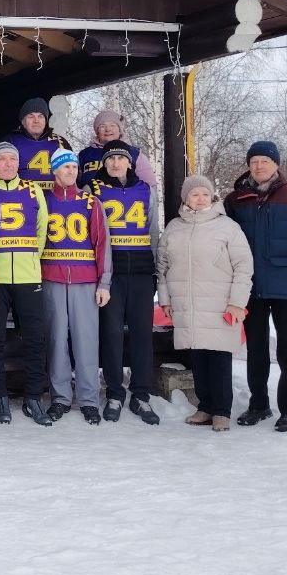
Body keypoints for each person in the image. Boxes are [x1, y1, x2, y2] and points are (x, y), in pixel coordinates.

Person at [224, 140, 287, 432]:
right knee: (255, 349)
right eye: (254, 161)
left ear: (276, 164)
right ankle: (258, 405)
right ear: (248, 166)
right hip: (250, 287)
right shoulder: (236, 200)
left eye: (265, 161)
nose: (259, 166)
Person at [159, 175, 254, 432]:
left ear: (212, 197)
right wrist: (165, 300)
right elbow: (163, 268)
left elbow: (244, 266)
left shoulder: (227, 227)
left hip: (219, 305)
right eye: (194, 195)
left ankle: (222, 410)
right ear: (185, 198)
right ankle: (205, 406)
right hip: (187, 304)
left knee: (219, 357)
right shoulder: (174, 228)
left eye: (204, 194)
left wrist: (237, 303)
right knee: (197, 356)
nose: (200, 199)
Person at [0, 142, 52, 425]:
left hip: (28, 277)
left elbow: (42, 228)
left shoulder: (33, 190)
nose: (7, 163)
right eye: (1, 159)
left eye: (12, 159)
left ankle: (33, 398)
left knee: (35, 338)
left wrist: (32, 259)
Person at [90, 140, 161, 425]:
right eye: (110, 159)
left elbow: (154, 230)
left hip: (142, 272)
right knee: (111, 334)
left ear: (130, 163)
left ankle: (141, 395)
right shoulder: (93, 190)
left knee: (143, 334)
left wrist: (157, 270)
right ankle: (115, 393)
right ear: (104, 164)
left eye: (120, 159)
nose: (115, 164)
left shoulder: (146, 190)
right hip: (112, 274)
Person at [41, 149, 111, 425]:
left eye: (73, 167)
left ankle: (89, 399)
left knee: (86, 340)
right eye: (65, 167)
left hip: (85, 280)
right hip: (52, 279)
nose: (70, 171)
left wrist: (104, 282)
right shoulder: (44, 201)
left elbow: (102, 243)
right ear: (55, 171)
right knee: (57, 340)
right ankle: (59, 398)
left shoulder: (90, 202)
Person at [77, 109, 157, 187]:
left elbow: (149, 187)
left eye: (112, 125)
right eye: (102, 126)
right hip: (90, 199)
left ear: (120, 129)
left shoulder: (135, 154)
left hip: (126, 199)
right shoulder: (84, 155)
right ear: (97, 131)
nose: (108, 129)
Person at [7, 98, 72, 191]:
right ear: (23, 121)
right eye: (31, 116)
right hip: (21, 200)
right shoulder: (10, 141)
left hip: (55, 200)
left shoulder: (60, 142)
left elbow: (73, 174)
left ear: (46, 121)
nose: (36, 120)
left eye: (41, 116)